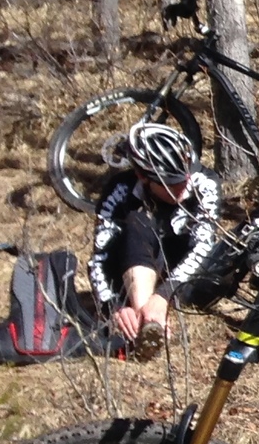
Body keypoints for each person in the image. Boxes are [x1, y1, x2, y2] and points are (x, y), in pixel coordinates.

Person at [88, 120, 226, 349]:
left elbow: (203, 246)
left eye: (186, 177)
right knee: (135, 221)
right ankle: (147, 325)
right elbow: (99, 258)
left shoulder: (205, 182)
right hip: (134, 266)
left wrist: (163, 295)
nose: (184, 187)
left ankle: (150, 319)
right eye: (172, 183)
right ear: (143, 177)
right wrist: (114, 307)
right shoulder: (120, 189)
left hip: (185, 273)